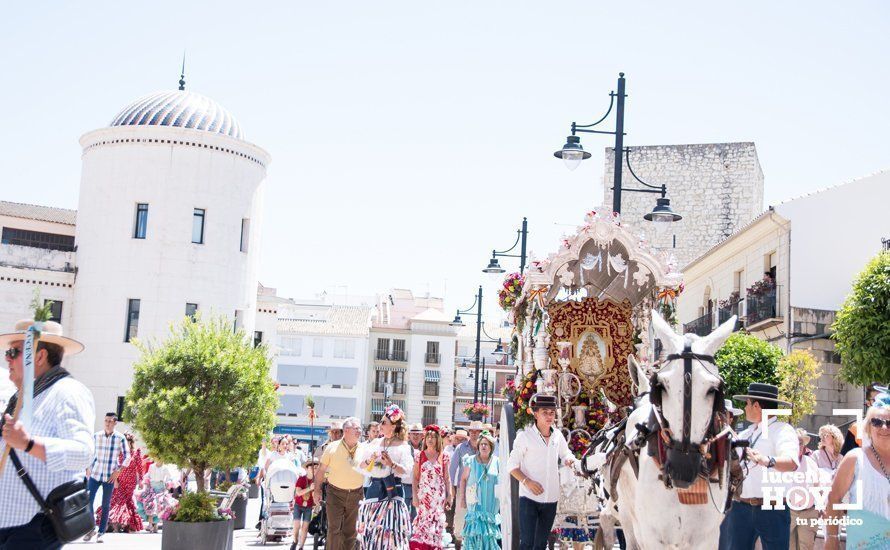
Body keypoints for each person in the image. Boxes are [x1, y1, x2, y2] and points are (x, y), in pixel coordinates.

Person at [0, 316, 94, 549]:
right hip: (9, 524)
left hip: (34, 526)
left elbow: (83, 453)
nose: (6, 358)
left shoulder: (68, 392)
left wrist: (29, 443)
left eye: (14, 352)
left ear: (39, 356)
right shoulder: (20, 397)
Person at [724, 383, 799, 550]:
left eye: (747, 403)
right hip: (740, 506)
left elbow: (791, 462)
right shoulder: (745, 433)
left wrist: (767, 460)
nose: (745, 408)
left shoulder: (783, 430)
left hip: (771, 508)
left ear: (756, 405)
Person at [507, 394, 578, 550]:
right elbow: (511, 466)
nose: (549, 416)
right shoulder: (524, 437)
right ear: (536, 413)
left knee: (541, 544)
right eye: (544, 412)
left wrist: (570, 460)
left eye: (551, 412)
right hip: (528, 498)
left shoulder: (558, 436)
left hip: (551, 498)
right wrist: (527, 482)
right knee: (527, 543)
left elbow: (566, 454)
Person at [824, 389, 890, 550]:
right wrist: (832, 538)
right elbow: (834, 499)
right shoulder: (855, 458)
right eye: (876, 422)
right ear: (868, 426)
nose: (884, 427)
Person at [356, 405, 414, 549]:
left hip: (393, 491)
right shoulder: (374, 443)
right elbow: (360, 466)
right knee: (371, 531)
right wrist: (370, 460)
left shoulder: (403, 446)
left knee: (390, 531)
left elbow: (407, 470)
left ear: (393, 426)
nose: (380, 425)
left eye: (383, 423)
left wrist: (391, 463)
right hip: (374, 490)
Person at [313, 417, 365, 550]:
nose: (360, 431)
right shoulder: (331, 448)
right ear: (346, 430)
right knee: (334, 530)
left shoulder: (365, 449)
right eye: (357, 428)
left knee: (351, 532)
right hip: (335, 494)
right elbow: (321, 470)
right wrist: (317, 491)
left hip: (356, 494)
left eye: (360, 428)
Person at [84, 411, 130, 542]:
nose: (108, 423)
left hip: (110, 476)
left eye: (110, 421)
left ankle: (101, 532)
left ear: (115, 423)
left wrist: (119, 471)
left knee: (105, 505)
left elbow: (128, 456)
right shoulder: (96, 436)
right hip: (95, 474)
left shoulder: (120, 438)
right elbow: (90, 453)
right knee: (88, 501)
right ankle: (91, 528)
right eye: (106, 421)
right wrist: (88, 467)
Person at [410, 425, 452, 550]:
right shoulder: (419, 455)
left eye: (433, 437)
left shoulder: (444, 456)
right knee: (423, 524)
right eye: (428, 436)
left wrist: (449, 496)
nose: (430, 439)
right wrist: (415, 497)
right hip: (424, 497)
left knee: (436, 524)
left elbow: (447, 478)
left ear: (438, 439)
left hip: (438, 498)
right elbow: (415, 478)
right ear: (425, 439)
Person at [95, 432, 144, 533]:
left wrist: (141, 481)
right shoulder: (119, 453)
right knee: (116, 501)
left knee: (125, 502)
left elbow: (140, 468)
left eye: (128, 441)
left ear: (131, 442)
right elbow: (114, 467)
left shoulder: (136, 453)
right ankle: (114, 524)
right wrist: (116, 480)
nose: (126, 444)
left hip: (130, 483)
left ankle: (124, 524)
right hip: (119, 481)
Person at [459, 431, 500, 550]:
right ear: (478, 446)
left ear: (491, 447)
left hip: (491, 504)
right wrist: (462, 499)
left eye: (486, 444)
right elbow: (463, 480)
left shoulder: (497, 461)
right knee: (475, 533)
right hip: (474, 503)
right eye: (481, 444)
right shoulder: (470, 460)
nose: (483, 446)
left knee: (488, 535)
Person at [448, 422, 482, 550]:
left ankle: (473, 543)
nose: (474, 433)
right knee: (460, 515)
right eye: (472, 431)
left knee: (477, 516)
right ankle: (458, 540)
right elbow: (452, 468)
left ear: (479, 433)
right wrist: (451, 487)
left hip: (480, 488)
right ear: (469, 432)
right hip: (463, 487)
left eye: (476, 431)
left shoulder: (483, 447)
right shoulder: (461, 448)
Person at [788, 429, 820, 550]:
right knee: (788, 546)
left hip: (808, 512)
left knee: (806, 547)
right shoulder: (784, 462)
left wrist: (820, 507)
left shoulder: (811, 462)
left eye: (801, 442)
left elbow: (817, 486)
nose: (799, 445)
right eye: (795, 442)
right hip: (788, 512)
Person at [840, 383, 880, 455]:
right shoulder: (857, 429)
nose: (880, 403)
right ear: (868, 403)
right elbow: (845, 459)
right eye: (875, 400)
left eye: (884, 400)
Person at [139, 457, 175, 533]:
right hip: (151, 489)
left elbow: (169, 478)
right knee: (150, 506)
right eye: (157, 457)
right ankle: (150, 524)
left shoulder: (165, 468)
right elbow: (148, 475)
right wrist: (144, 482)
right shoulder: (152, 466)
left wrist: (169, 485)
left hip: (161, 489)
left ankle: (155, 525)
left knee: (159, 507)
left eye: (160, 457)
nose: (158, 459)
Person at [290, 459, 318, 550]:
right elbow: (298, 493)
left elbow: (317, 496)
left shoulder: (316, 481)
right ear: (307, 469)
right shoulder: (301, 479)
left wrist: (315, 495)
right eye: (312, 467)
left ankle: (301, 547)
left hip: (308, 507)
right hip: (298, 505)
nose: (314, 469)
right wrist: (310, 488)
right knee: (296, 526)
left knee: (305, 527)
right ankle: (295, 541)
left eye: (316, 467)